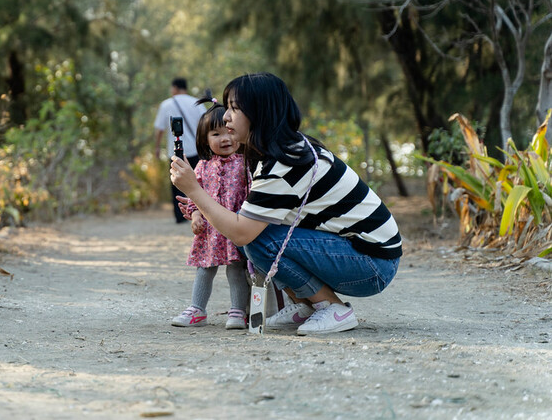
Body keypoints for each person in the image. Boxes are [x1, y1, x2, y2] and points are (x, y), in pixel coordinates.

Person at [170, 73, 401, 335]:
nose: (225, 116)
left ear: (260, 113)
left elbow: (240, 232)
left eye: (235, 108)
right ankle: (307, 304)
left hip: (372, 263)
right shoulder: (280, 150)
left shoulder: (284, 163)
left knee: (255, 240)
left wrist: (194, 190)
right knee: (255, 236)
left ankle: (332, 308)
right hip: (364, 254)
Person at [170, 101, 252, 330]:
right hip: (209, 230)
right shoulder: (203, 167)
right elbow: (195, 195)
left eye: (229, 132)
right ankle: (197, 309)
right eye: (216, 134)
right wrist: (195, 216)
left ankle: (238, 311)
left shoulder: (246, 164)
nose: (225, 138)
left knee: (237, 269)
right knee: (204, 269)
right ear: (204, 140)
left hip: (236, 226)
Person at [154, 78, 205, 223]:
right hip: (197, 150)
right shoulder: (197, 103)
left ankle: (180, 216)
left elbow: (159, 129)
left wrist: (157, 147)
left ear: (175, 88)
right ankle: (201, 213)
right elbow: (206, 125)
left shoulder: (166, 104)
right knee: (199, 182)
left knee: (176, 183)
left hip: (175, 152)